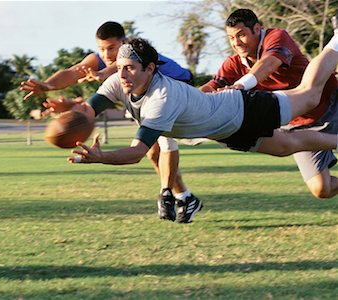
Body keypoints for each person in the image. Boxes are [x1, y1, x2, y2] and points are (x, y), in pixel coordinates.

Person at [39, 35, 338, 209]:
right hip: (227, 132)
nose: (122, 74)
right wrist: (70, 110)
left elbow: (136, 153)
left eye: (130, 68)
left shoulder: (162, 97)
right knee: (288, 146)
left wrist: (102, 158)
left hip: (243, 108)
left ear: (150, 69)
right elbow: (90, 110)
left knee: (309, 95)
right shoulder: (122, 81)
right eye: (119, 68)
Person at [21, 21, 200, 223]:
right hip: (148, 95)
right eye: (101, 49)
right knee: (153, 153)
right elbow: (72, 72)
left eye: (111, 48)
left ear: (123, 43)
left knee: (164, 142)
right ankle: (184, 197)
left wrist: (99, 75)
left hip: (180, 87)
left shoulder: (132, 56)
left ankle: (170, 194)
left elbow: (110, 71)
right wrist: (46, 85)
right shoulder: (104, 62)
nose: (106, 55)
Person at [199, 9, 338, 199]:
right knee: (322, 189)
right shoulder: (234, 63)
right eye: (231, 38)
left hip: (331, 102)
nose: (236, 43)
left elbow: (268, 64)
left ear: (256, 29)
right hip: (300, 125)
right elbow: (212, 86)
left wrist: (240, 85)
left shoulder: (276, 37)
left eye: (241, 35)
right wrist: (186, 102)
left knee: (309, 93)